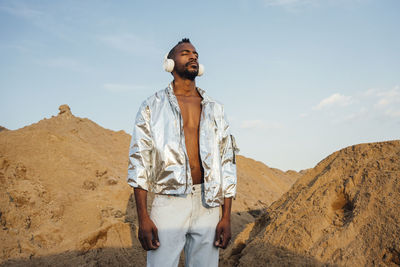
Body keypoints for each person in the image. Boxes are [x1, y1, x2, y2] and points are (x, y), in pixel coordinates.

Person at [127, 38, 239, 267]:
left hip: (207, 202)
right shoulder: (152, 106)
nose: (193, 56)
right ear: (169, 64)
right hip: (169, 202)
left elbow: (227, 160)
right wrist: (143, 218)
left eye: (195, 54)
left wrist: (225, 216)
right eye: (185, 53)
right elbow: (139, 161)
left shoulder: (215, 108)